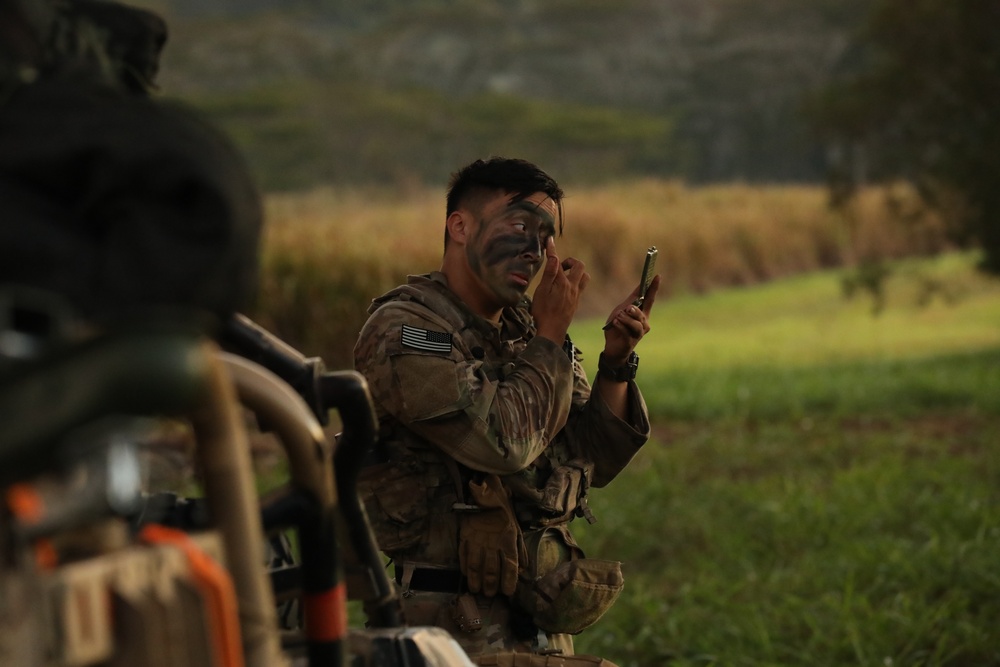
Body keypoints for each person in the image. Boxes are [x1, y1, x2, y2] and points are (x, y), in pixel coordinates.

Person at [353, 157, 660, 664]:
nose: (534, 250)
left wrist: (615, 363)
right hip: (448, 628)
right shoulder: (408, 330)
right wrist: (550, 336)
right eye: (519, 226)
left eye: (545, 236)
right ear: (460, 226)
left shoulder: (528, 329)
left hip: (538, 623)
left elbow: (592, 457)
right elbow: (504, 444)